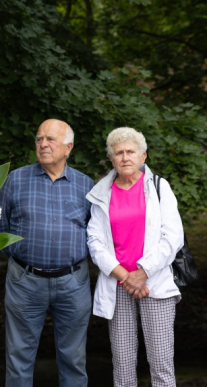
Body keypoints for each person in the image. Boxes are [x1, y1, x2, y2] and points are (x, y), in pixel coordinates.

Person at [0, 119, 94, 387]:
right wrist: (20, 259)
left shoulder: (86, 185)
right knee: (19, 357)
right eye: (39, 139)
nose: (43, 144)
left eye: (50, 139)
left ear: (68, 147)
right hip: (25, 279)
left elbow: (96, 233)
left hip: (73, 282)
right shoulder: (16, 179)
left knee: (73, 358)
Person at [86, 127, 183, 386]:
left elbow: (173, 237)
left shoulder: (160, 187)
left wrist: (142, 273)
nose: (125, 157)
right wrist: (124, 276)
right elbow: (94, 241)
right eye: (119, 153)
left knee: (161, 365)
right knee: (123, 366)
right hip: (118, 287)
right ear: (111, 159)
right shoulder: (101, 193)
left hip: (154, 284)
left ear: (143, 157)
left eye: (131, 152)